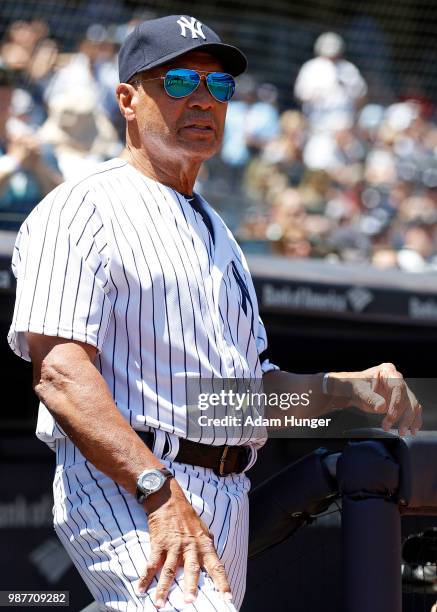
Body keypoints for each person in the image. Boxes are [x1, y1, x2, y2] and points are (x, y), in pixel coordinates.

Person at [8, 15, 422, 612]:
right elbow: (60, 372)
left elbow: (241, 398)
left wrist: (341, 390)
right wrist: (157, 490)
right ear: (127, 99)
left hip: (225, 492)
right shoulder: (81, 208)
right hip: (134, 484)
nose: (203, 100)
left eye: (218, 87)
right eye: (178, 83)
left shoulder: (217, 230)